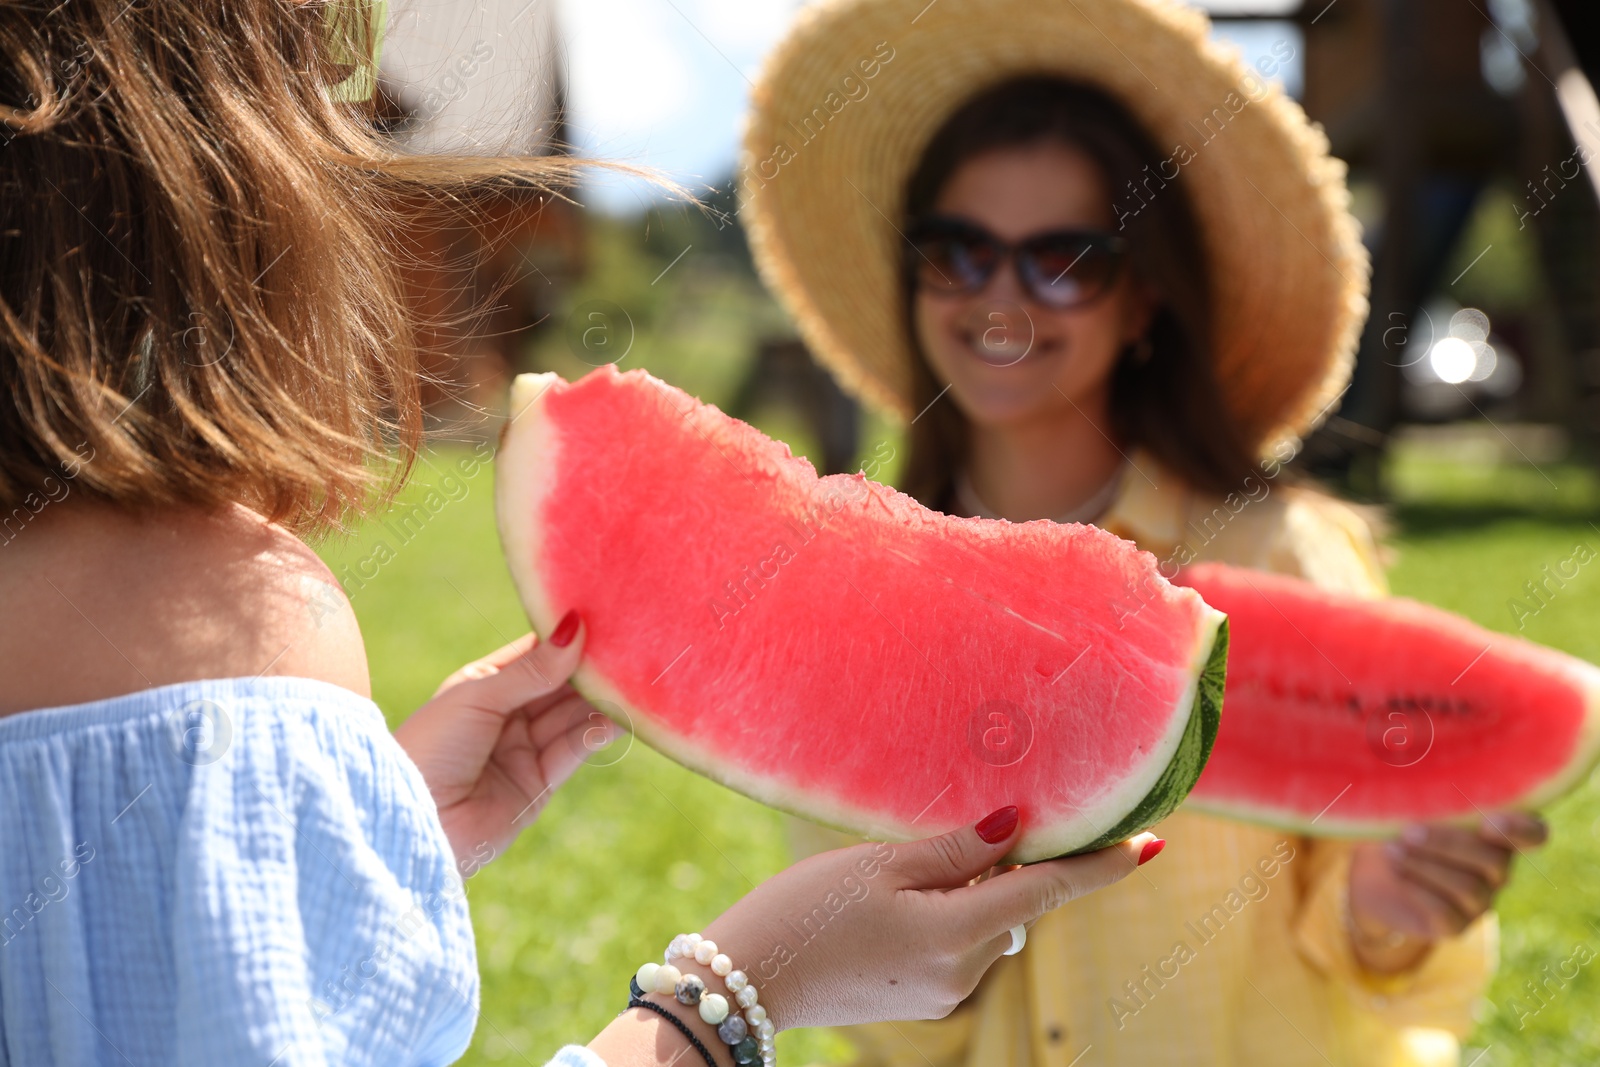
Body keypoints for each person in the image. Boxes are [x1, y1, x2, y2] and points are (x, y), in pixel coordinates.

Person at [0, 2, 1162, 1064]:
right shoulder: (215, 628)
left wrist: (349, 841)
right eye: (313, 61)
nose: (348, 123)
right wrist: (735, 991)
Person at [739, 0, 1547, 1064]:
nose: (999, 296)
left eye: (1063, 258)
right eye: (957, 248)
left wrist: (1393, 907)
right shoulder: (863, 606)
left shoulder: (1281, 554)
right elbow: (889, 1030)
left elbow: (1369, 940)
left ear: (1145, 300)